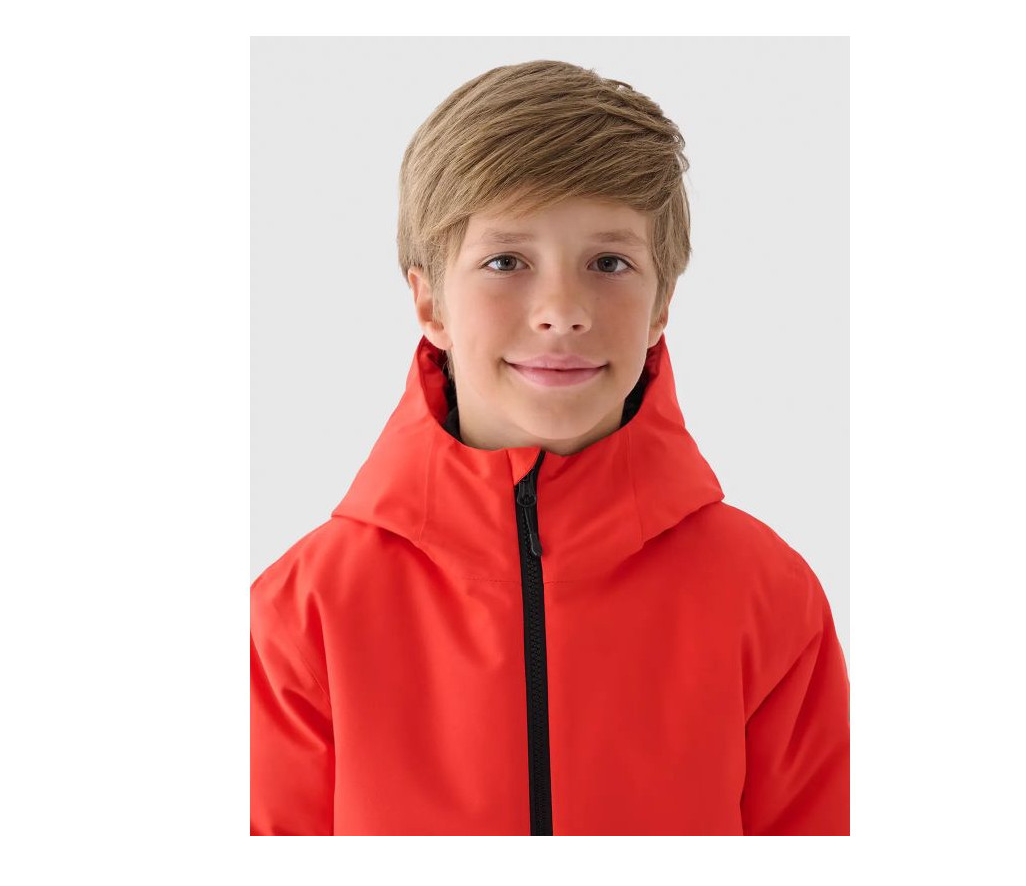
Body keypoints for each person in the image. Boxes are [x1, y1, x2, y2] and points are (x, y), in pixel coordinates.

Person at [250, 59, 850, 835]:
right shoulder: (307, 613)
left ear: (662, 304)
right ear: (430, 303)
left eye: (610, 263)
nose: (563, 310)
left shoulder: (766, 596)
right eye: (506, 262)